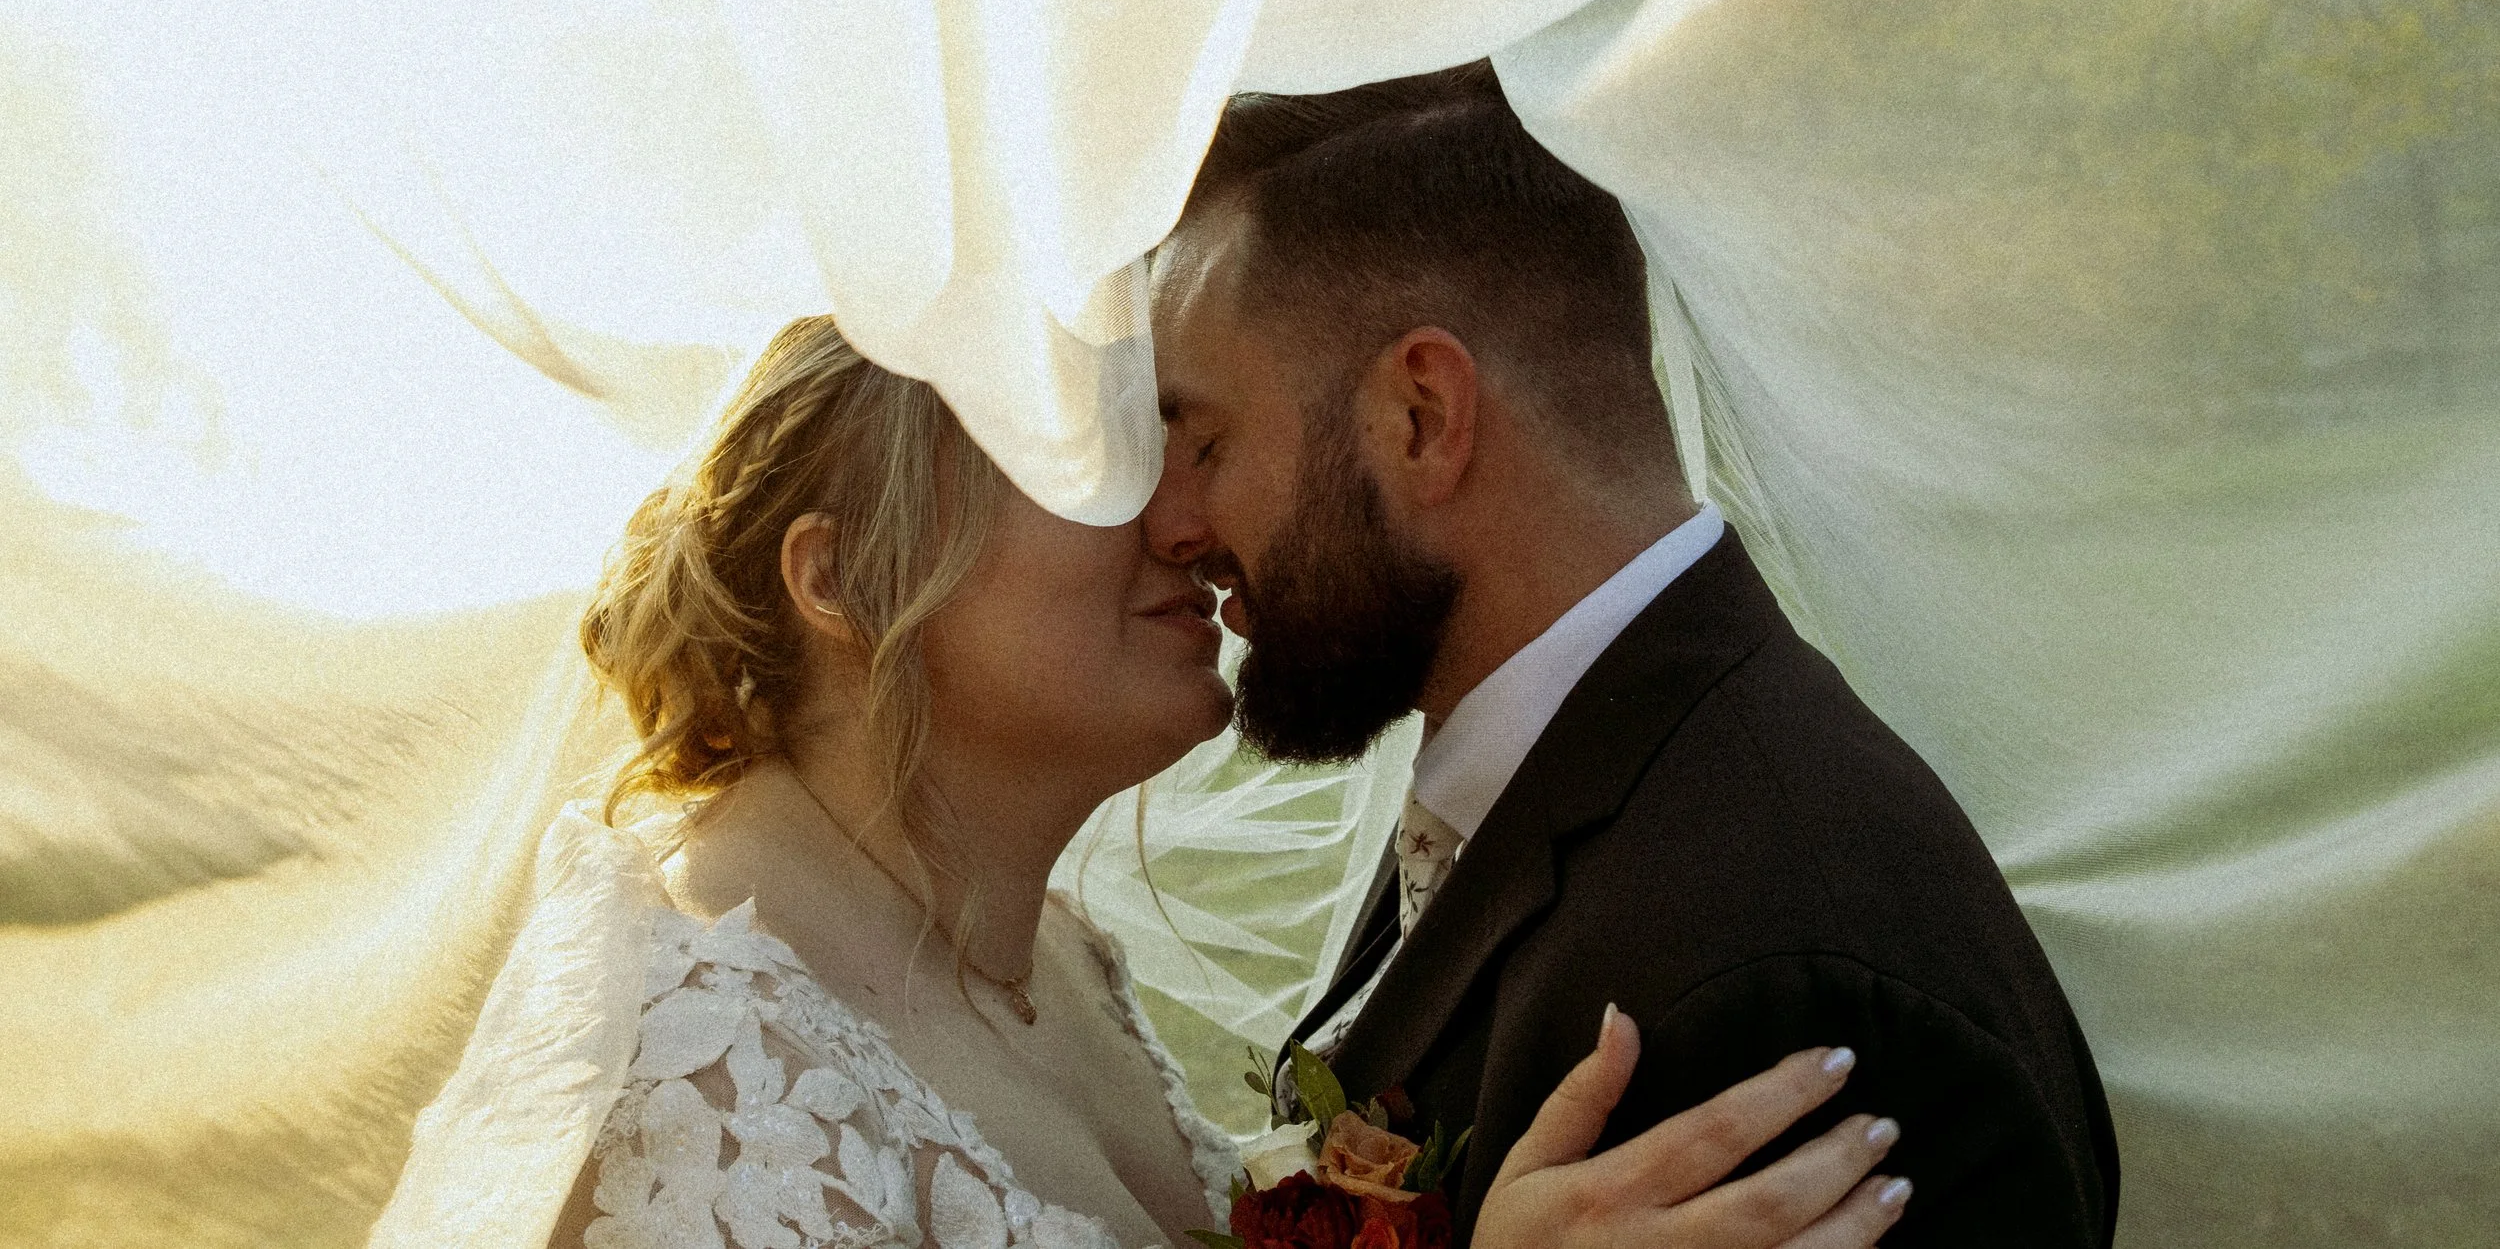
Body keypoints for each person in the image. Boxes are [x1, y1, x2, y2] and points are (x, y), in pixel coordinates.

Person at [373, 316, 1915, 1249]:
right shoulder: (694, 1067)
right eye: (1093, 471)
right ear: (843, 578)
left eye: (1174, 451)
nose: (1184, 521)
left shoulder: (1057, 961)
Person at [1143, 62, 2122, 1246]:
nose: (1169, 525)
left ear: (1421, 416)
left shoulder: (1761, 979)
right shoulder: (1589, 773)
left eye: (1204, 440)